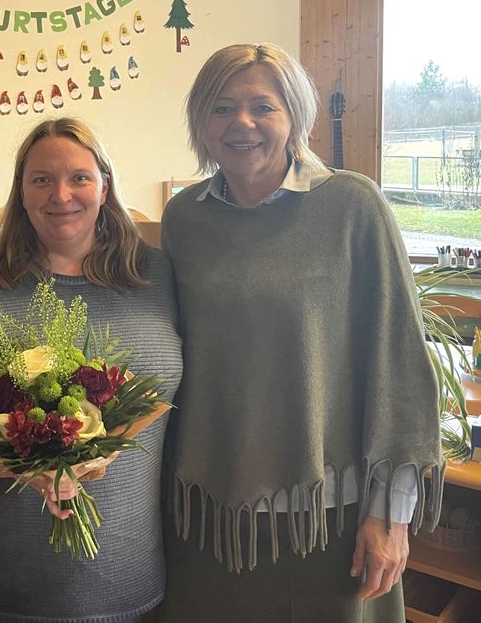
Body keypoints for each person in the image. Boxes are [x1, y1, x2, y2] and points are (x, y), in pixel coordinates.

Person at [159, 43, 443, 623]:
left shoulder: (351, 207)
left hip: (327, 518)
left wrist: (389, 517)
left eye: (262, 106)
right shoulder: (185, 218)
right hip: (208, 514)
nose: (241, 123)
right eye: (221, 107)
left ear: (294, 116)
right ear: (200, 122)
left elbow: (399, 366)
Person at [0, 117, 183, 623]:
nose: (62, 194)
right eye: (41, 179)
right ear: (21, 191)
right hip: (8, 589)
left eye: (79, 177)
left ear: (105, 184)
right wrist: (26, 464)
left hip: (133, 578)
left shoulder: (158, 276)